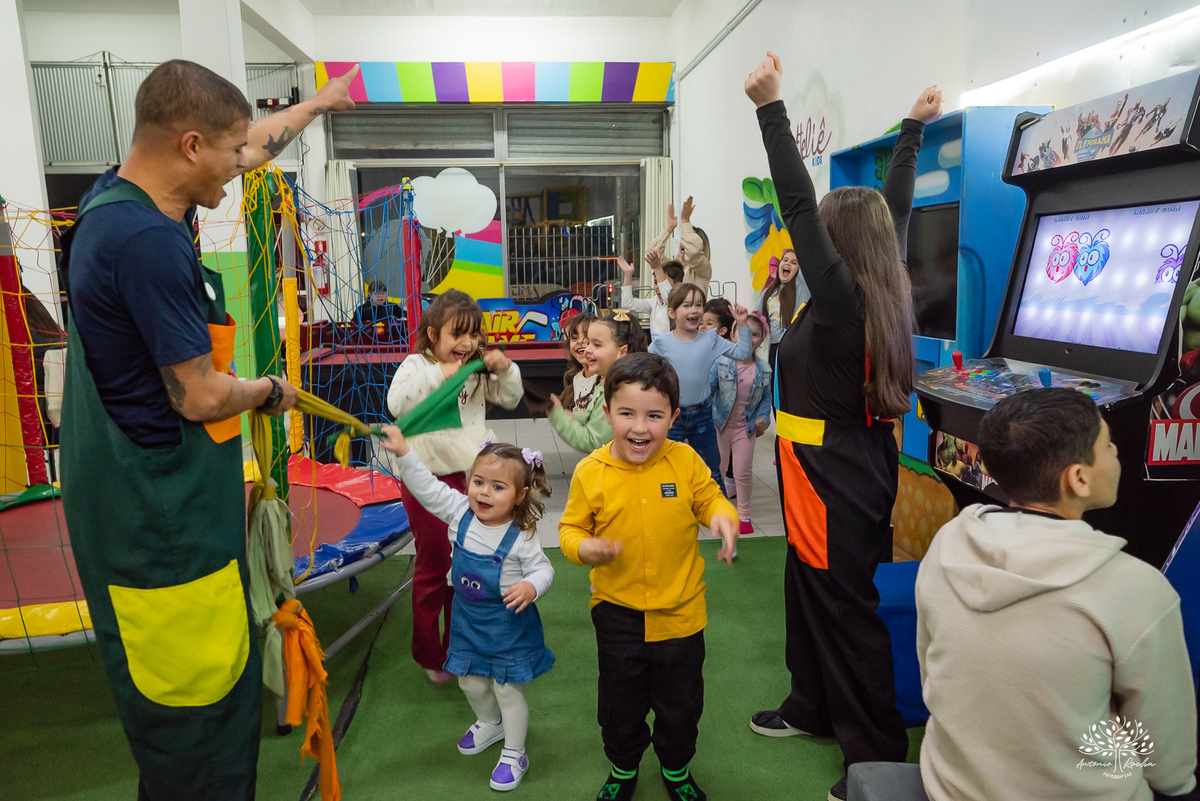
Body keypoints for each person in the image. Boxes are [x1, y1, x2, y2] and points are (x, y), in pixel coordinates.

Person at [57, 59, 356, 800]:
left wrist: (318, 104)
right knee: (199, 730)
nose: (241, 168)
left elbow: (253, 141)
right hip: (163, 528)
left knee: (179, 727)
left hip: (142, 507)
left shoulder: (117, 197)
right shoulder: (147, 244)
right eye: (227, 155)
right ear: (190, 145)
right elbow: (198, 395)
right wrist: (268, 389)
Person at [743, 52, 942, 801]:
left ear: (840, 249)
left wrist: (770, 109)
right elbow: (891, 212)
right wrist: (913, 131)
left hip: (832, 474)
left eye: (824, 235)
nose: (810, 241)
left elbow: (797, 203)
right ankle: (813, 707)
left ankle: (874, 752)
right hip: (820, 468)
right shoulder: (866, 291)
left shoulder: (845, 301)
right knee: (808, 590)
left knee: (845, 605)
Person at [917, 388, 1198, 801]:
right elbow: (1168, 766)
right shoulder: (1136, 588)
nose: (1118, 451)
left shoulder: (948, 543)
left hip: (950, 787)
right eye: (1108, 445)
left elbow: (934, 673)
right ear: (1078, 479)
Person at [558, 352, 739, 801]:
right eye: (627, 414)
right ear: (606, 413)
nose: (640, 428)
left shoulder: (686, 461)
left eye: (654, 415)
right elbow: (569, 529)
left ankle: (676, 769)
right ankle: (622, 767)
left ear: (673, 417)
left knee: (681, 706)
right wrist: (585, 547)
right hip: (616, 613)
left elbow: (711, 499)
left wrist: (723, 518)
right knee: (620, 705)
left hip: (680, 615)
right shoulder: (591, 472)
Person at [379, 430, 556, 792]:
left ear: (520, 496)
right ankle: (490, 723)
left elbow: (544, 569)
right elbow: (427, 488)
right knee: (470, 682)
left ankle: (515, 751)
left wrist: (531, 585)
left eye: (497, 487)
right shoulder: (460, 511)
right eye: (478, 482)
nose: (483, 493)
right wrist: (405, 453)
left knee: (508, 690)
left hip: (508, 626)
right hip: (468, 622)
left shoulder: (521, 535)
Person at [384, 289, 523, 683]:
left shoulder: (474, 368)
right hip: (426, 478)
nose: (466, 343)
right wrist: (438, 374)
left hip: (473, 480)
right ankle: (431, 654)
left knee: (468, 563)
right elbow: (397, 402)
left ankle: (463, 644)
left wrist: (505, 367)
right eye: (456, 334)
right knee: (434, 566)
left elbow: (511, 397)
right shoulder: (416, 365)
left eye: (473, 334)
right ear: (432, 336)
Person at [649, 284, 753, 486]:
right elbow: (647, 374)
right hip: (671, 415)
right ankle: (670, 511)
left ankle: (716, 514)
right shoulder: (661, 344)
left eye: (698, 304)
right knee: (666, 467)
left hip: (703, 415)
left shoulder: (711, 340)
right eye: (687, 305)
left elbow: (743, 353)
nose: (694, 310)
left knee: (711, 471)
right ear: (672, 312)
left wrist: (743, 325)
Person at [710, 310, 772, 534]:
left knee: (743, 472)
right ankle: (718, 512)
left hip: (745, 429)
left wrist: (763, 418)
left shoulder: (763, 369)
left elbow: (766, 399)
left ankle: (744, 516)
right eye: (743, 332)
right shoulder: (721, 363)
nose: (749, 338)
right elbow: (709, 391)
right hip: (719, 425)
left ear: (762, 339)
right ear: (733, 335)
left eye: (754, 334)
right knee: (717, 469)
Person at [548, 312, 646, 453]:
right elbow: (596, 416)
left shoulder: (617, 392)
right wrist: (572, 415)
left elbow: (593, 441)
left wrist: (557, 415)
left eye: (596, 345)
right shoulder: (613, 384)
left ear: (622, 351)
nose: (587, 349)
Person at [645, 200, 712, 290]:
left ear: (702, 246)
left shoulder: (703, 268)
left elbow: (693, 253)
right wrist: (669, 228)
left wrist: (685, 220)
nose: (684, 244)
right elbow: (651, 255)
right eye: (684, 239)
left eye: (689, 240)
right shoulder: (674, 267)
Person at [760, 248, 809, 368]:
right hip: (774, 348)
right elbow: (756, 318)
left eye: (793, 263)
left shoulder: (801, 287)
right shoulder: (768, 293)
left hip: (794, 348)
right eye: (785, 260)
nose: (787, 263)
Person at [618, 252, 684, 337]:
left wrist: (657, 268)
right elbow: (627, 304)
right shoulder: (654, 302)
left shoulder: (681, 303)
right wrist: (628, 274)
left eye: (662, 282)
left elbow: (669, 297)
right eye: (656, 282)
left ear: (678, 285)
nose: (658, 286)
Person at [560, 311, 598, 412]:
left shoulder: (605, 380)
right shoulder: (577, 378)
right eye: (574, 338)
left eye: (587, 336)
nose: (580, 341)